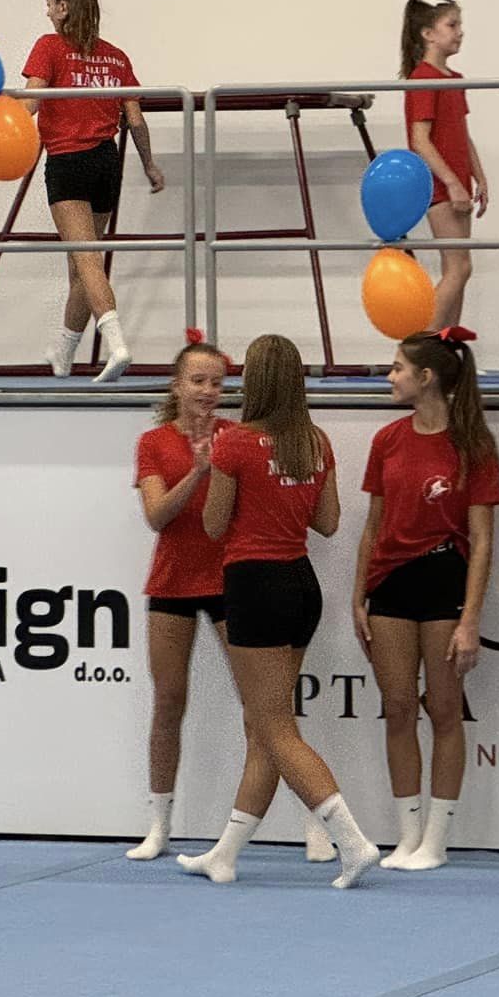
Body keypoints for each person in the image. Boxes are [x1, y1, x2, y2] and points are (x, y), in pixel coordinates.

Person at [178, 334, 379, 888]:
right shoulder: (314, 442)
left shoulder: (235, 444)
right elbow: (328, 522)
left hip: (255, 585)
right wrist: (286, 493)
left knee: (275, 728)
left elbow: (213, 525)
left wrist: (226, 480)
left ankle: (353, 842)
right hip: (300, 584)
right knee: (263, 725)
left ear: (255, 381)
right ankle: (225, 854)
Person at [353, 327, 499, 872]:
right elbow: (372, 526)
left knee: (443, 709)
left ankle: (436, 839)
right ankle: (408, 833)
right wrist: (358, 594)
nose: (390, 377)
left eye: (397, 368)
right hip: (391, 582)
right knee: (397, 708)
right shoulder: (388, 440)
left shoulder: (472, 446)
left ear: (426, 376)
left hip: (444, 580)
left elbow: (482, 540)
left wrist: (471, 618)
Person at [18, 0, 164, 381]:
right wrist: (150, 165)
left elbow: (28, 105)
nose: (47, 12)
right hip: (106, 164)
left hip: (68, 163)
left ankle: (116, 343)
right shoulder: (116, 58)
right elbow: (135, 120)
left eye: (50, 4)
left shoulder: (49, 47)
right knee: (80, 267)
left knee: (86, 260)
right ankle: (63, 353)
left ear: (64, 6)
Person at [127, 332, 236, 860]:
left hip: (230, 581)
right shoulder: (154, 443)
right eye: (198, 380)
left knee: (263, 707)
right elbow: (157, 516)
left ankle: (308, 818)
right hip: (172, 582)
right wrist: (198, 471)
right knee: (169, 702)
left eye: (217, 382)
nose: (208, 391)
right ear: (176, 385)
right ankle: (159, 824)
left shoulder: (236, 438)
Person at [400, 0, 487, 331]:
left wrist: (479, 176)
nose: (460, 31)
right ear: (428, 34)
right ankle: (421, 346)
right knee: (458, 268)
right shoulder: (423, 79)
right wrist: (451, 182)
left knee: (459, 268)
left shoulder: (454, 80)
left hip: (457, 183)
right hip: (440, 185)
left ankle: (446, 345)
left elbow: (462, 134)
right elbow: (419, 140)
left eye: (459, 24)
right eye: (452, 25)